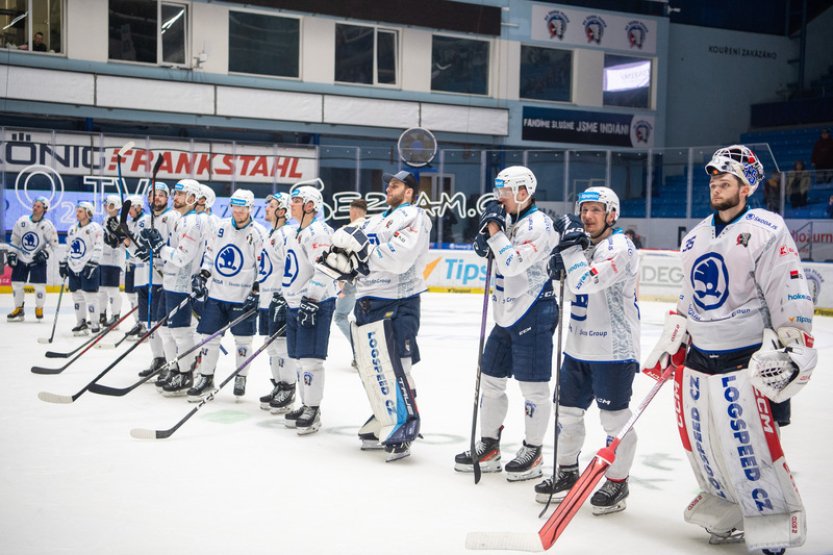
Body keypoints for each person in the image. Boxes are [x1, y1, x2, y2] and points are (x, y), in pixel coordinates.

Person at [644, 145, 815, 553]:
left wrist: (796, 344)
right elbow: (688, 295)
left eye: (726, 182)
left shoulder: (767, 228)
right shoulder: (698, 235)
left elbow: (788, 288)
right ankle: (726, 503)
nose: (716, 187)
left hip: (746, 357)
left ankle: (771, 515)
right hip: (700, 356)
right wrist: (673, 337)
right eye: (714, 181)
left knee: (747, 443)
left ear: (747, 187)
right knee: (705, 444)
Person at [535, 186, 641, 514]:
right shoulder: (584, 245)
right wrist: (558, 262)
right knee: (567, 414)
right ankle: (567, 472)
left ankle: (618, 481)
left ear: (612, 214)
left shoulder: (620, 246)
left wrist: (567, 251)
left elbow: (586, 282)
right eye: (584, 210)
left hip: (612, 349)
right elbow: (566, 287)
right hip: (578, 345)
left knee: (614, 420)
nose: (587, 216)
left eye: (596, 210)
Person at [454, 166, 558, 479]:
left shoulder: (540, 225)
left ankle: (533, 451)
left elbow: (512, 264)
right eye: (499, 190)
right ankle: (490, 445)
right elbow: (483, 250)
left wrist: (495, 230)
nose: (500, 197)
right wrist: (486, 233)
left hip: (533, 311)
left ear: (524, 191)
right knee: (490, 380)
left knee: (534, 388)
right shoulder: (510, 218)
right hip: (505, 314)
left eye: (506, 191)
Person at [189, 189, 262, 402]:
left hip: (242, 296)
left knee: (243, 341)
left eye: (243, 208)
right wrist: (203, 274)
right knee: (209, 338)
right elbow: (210, 255)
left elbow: (262, 266)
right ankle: (206, 377)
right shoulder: (220, 228)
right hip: (217, 294)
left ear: (250, 208)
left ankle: (241, 376)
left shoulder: (257, 233)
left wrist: (256, 291)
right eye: (235, 207)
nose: (238, 211)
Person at [277, 185, 337, 434]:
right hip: (295, 302)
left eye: (296, 201)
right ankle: (305, 405)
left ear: (310, 205)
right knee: (300, 360)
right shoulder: (294, 231)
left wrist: (311, 298)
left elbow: (326, 268)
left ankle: (312, 409)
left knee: (311, 361)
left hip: (315, 302)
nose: (291, 205)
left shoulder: (319, 232)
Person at [140, 179, 207, 396]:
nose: (175, 197)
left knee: (180, 331)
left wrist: (160, 247)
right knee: (164, 330)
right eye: (175, 193)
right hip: (169, 281)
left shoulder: (192, 223)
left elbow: (182, 257)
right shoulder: (181, 220)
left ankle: (185, 373)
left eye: (181, 194)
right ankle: (174, 367)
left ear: (192, 198)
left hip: (182, 283)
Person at [259, 192, 298, 413]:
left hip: (278, 298)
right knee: (271, 346)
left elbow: (290, 268)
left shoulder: (285, 235)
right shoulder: (270, 233)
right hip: (266, 298)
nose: (266, 208)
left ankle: (288, 387)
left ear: (282, 211)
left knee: (282, 346)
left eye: (271, 205)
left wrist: (284, 295)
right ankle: (277, 385)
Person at [6, 196, 58, 322]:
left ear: (44, 209)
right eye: (34, 205)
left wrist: (45, 253)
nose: (35, 207)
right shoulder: (22, 221)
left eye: (38, 206)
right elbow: (15, 239)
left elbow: (54, 245)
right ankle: (19, 309)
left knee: (39, 286)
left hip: (37, 260)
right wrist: (12, 253)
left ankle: (39, 308)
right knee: (17, 284)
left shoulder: (47, 226)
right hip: (21, 258)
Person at [332, 198, 368, 362]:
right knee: (367, 320)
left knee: (340, 316)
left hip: (351, 282)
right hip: (371, 282)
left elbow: (340, 260)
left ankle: (359, 350)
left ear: (352, 211)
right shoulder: (373, 227)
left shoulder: (346, 230)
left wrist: (340, 284)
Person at [62, 201, 104, 334]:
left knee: (91, 296)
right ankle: (81, 322)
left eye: (80, 211)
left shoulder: (95, 228)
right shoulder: (72, 229)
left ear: (88, 213)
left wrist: (93, 263)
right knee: (77, 296)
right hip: (74, 267)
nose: (77, 213)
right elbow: (68, 248)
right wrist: (63, 263)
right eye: (77, 210)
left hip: (88, 267)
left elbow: (98, 247)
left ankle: (95, 323)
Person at [123, 194, 149, 340]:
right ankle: (138, 322)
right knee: (131, 295)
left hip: (141, 264)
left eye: (131, 208)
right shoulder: (130, 222)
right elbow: (126, 244)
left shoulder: (146, 220)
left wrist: (133, 237)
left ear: (139, 206)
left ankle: (145, 324)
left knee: (141, 296)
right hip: (130, 263)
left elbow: (144, 241)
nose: (129, 212)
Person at [97, 194, 125, 326]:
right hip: (102, 259)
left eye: (111, 205)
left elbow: (122, 241)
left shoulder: (121, 221)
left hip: (114, 260)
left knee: (112, 290)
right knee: (101, 290)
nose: (107, 207)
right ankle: (101, 314)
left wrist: (116, 239)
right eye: (106, 204)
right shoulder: (105, 219)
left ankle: (115, 315)